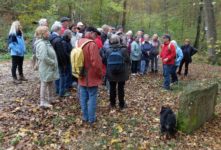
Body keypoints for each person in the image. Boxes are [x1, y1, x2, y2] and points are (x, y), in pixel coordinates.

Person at [77, 27, 103, 125]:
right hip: (91, 75)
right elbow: (96, 62)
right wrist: (100, 74)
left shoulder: (78, 42)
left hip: (80, 73)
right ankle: (91, 119)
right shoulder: (92, 44)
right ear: (91, 33)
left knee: (83, 96)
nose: (96, 37)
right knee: (92, 96)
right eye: (95, 35)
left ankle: (85, 116)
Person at [34, 26, 59, 108]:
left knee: (50, 82)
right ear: (42, 34)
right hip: (46, 67)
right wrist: (52, 62)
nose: (49, 33)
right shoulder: (41, 44)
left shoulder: (46, 42)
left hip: (48, 67)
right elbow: (43, 57)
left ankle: (51, 98)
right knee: (44, 83)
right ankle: (43, 102)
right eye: (47, 32)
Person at [105, 34, 130, 110]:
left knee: (112, 88)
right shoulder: (124, 49)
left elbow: (104, 60)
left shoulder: (108, 50)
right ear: (119, 40)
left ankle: (112, 104)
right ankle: (121, 104)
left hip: (111, 72)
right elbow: (128, 60)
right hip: (122, 72)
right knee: (121, 88)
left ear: (111, 41)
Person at [49, 21, 70, 97]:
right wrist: (64, 63)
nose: (62, 30)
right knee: (62, 76)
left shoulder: (51, 37)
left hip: (55, 60)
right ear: (58, 29)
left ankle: (58, 90)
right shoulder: (58, 40)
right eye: (61, 29)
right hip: (59, 61)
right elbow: (61, 54)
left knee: (57, 76)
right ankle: (62, 92)